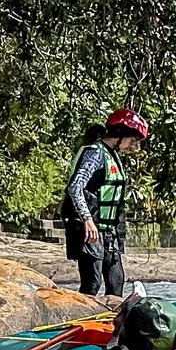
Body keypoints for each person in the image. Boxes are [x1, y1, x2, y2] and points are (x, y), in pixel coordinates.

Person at [61, 108, 149, 297]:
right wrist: (87, 220)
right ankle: (83, 312)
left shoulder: (112, 155)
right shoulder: (95, 153)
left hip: (108, 231)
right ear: (120, 134)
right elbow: (75, 187)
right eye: (132, 140)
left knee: (117, 280)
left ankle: (113, 314)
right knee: (92, 282)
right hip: (89, 228)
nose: (134, 146)